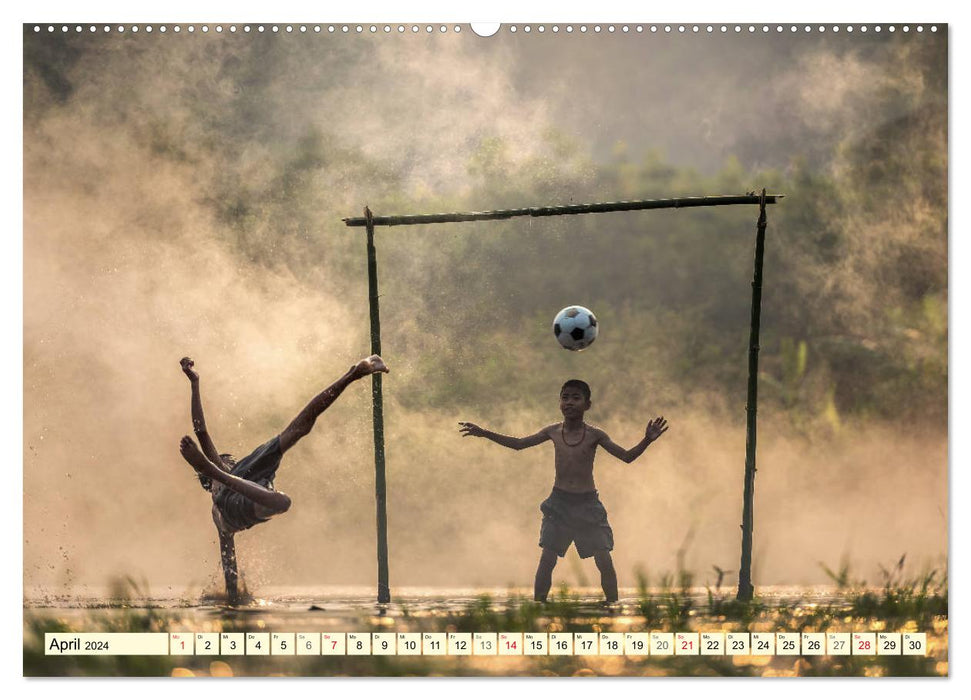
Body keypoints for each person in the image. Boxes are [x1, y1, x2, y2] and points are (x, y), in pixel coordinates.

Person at [177, 354, 389, 603]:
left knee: (297, 431)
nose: (231, 460)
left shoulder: (241, 470)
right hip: (232, 502)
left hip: (247, 481)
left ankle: (354, 373)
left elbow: (201, 431)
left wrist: (195, 382)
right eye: (226, 461)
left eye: (228, 462)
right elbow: (200, 431)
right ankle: (352, 374)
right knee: (280, 501)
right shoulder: (218, 496)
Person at [458, 379, 668, 604]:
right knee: (547, 559)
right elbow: (519, 444)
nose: (569, 402)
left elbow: (626, 457)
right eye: (565, 397)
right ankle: (538, 607)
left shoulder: (596, 435)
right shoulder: (553, 432)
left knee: (604, 560)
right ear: (559, 403)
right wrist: (485, 433)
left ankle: (612, 608)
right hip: (559, 504)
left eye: (576, 398)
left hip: (588, 505)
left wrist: (647, 440)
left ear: (587, 405)